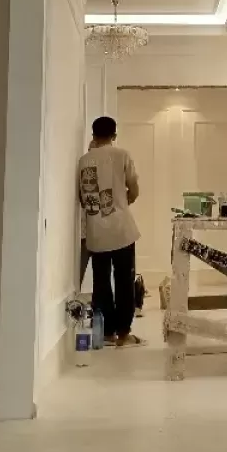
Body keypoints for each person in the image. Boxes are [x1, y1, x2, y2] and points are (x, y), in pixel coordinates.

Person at [77, 116, 144, 348]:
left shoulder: (83, 160)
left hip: (96, 232)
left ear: (93, 135)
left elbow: (82, 197)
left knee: (101, 282)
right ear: (114, 135)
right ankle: (124, 333)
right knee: (124, 280)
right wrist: (124, 202)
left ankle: (106, 332)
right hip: (121, 230)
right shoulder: (122, 155)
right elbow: (134, 188)